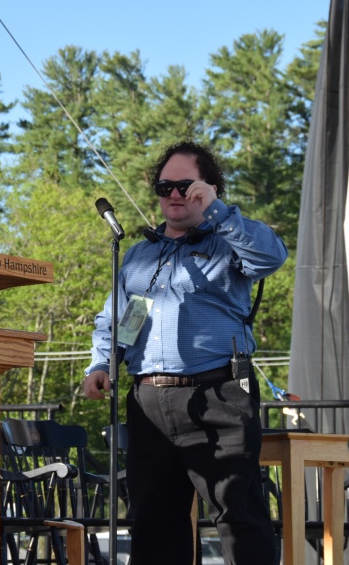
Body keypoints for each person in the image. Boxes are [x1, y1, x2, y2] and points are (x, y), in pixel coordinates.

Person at [83, 140, 286, 565]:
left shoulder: (229, 240)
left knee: (239, 517)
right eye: (165, 186)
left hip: (219, 395)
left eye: (186, 185)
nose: (175, 194)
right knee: (154, 523)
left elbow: (271, 257)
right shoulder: (139, 257)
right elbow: (121, 319)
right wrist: (102, 362)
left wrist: (219, 212)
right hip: (150, 401)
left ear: (209, 188)